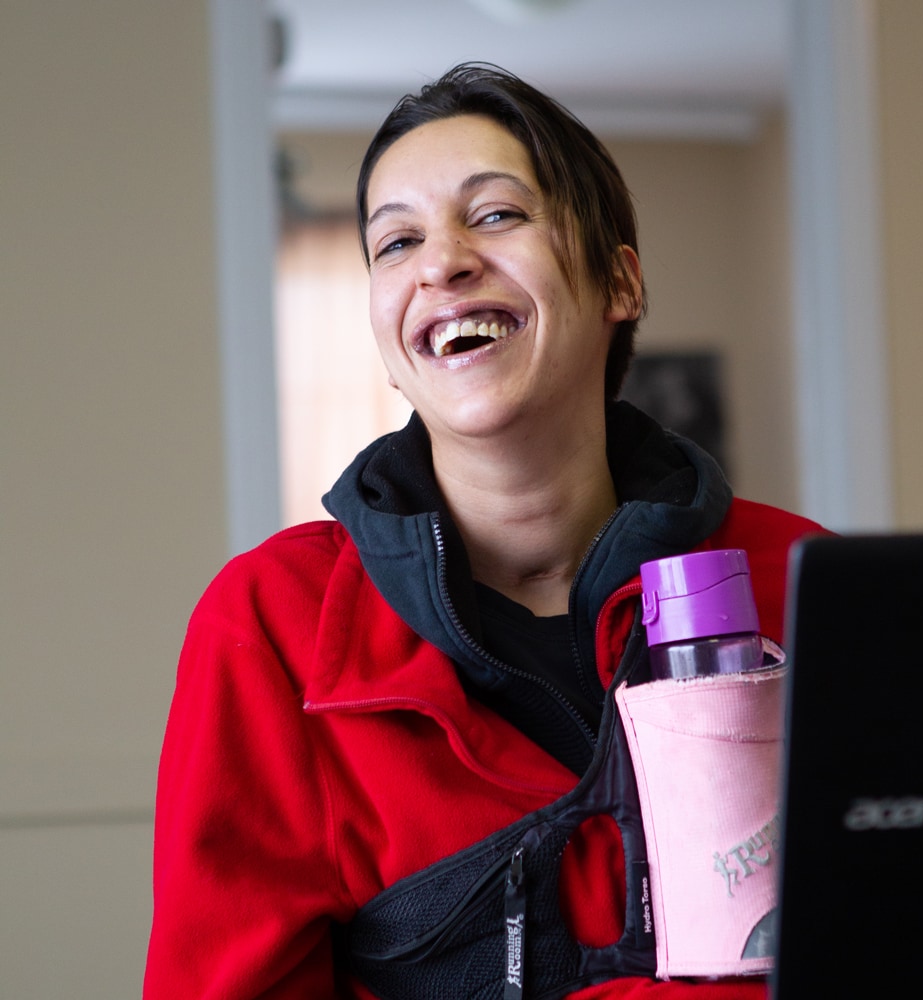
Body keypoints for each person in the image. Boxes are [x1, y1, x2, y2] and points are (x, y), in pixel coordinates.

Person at [144, 63, 826, 998]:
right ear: (388, 337)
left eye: (496, 215)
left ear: (619, 281)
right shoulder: (273, 623)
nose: (441, 263)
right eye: (396, 242)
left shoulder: (800, 576)